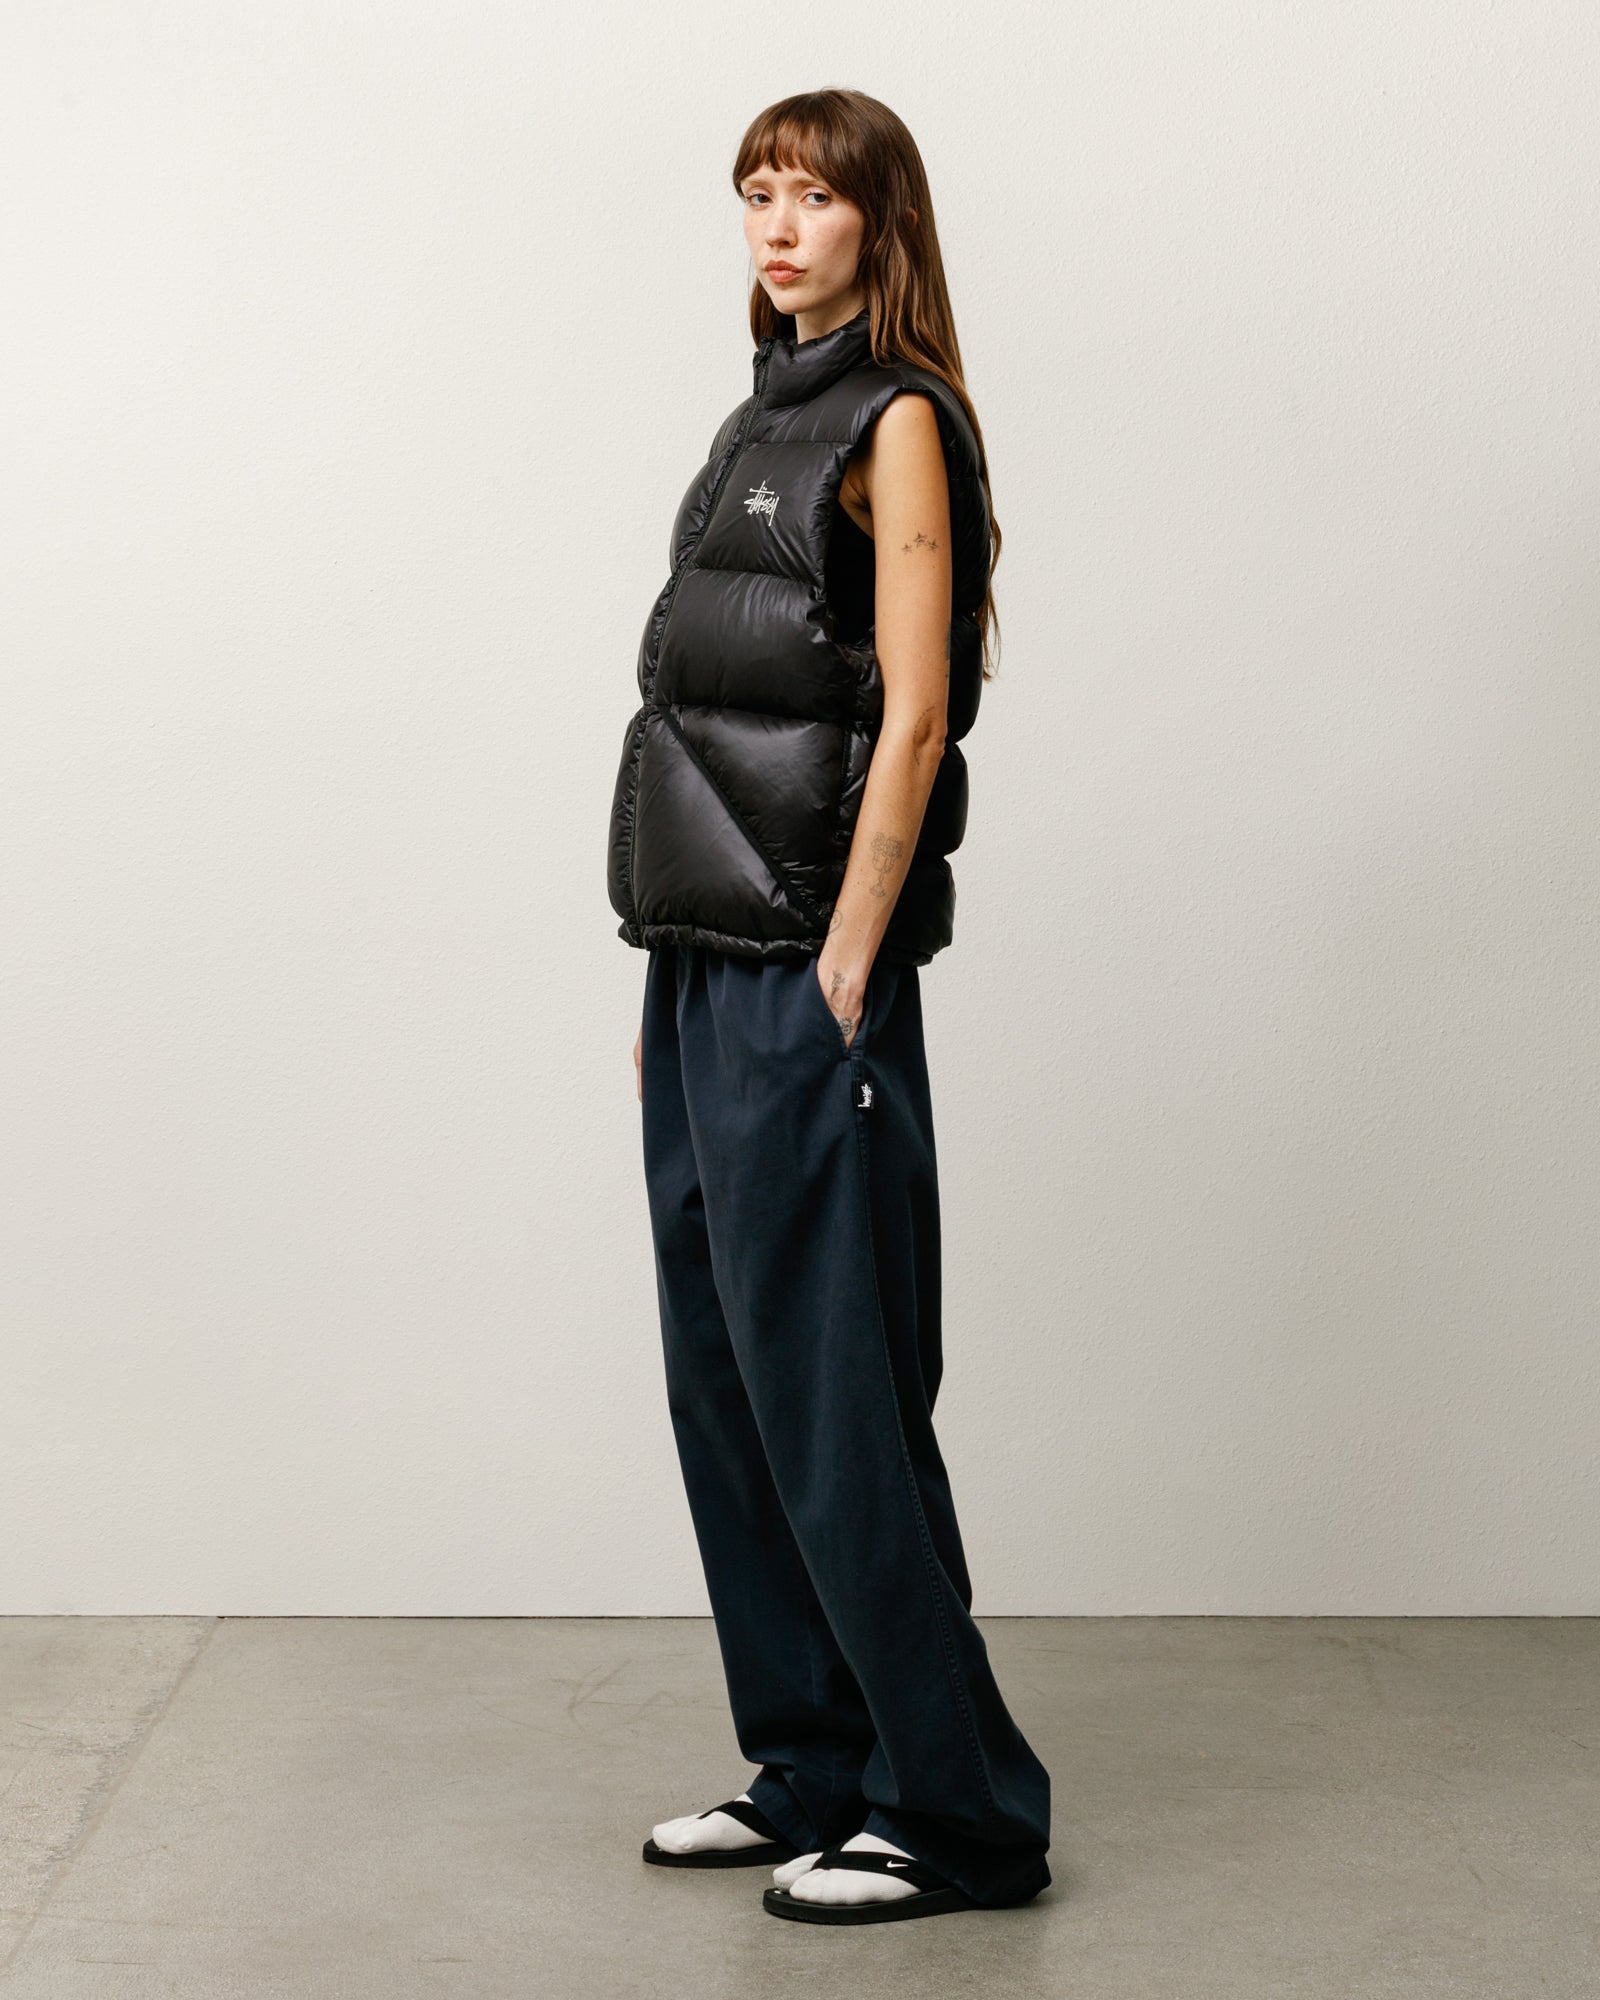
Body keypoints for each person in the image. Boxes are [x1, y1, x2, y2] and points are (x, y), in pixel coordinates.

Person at [605, 87, 1052, 1927]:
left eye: (811, 196)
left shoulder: (897, 421)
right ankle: (810, 1759)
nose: (777, 226)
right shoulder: (752, 421)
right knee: (726, 1373)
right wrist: (684, 958)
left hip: (809, 969)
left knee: (835, 1387)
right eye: (755, 194)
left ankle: (959, 1809)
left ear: (883, 222)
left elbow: (919, 709)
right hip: (701, 960)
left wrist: (853, 951)